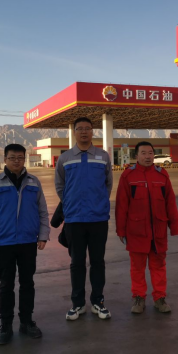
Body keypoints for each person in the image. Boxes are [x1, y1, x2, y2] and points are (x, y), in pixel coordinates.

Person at [0, 143, 50, 345]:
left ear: (24, 159)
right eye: (12, 157)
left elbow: (43, 211)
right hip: (4, 243)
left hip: (28, 242)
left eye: (20, 157)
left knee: (27, 283)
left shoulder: (34, 182)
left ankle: (27, 322)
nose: (16, 161)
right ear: (5, 159)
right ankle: (5, 325)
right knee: (6, 285)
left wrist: (43, 235)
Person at [55, 116, 113, 320]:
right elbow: (60, 186)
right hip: (74, 220)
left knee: (98, 262)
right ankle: (77, 304)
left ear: (92, 131)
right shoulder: (65, 158)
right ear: (74, 132)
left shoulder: (103, 156)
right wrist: (70, 203)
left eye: (87, 128)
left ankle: (98, 302)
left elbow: (108, 184)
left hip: (98, 219)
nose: (84, 132)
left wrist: (99, 202)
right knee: (77, 262)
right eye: (80, 128)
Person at [115, 141, 178, 314]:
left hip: (158, 231)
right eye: (143, 153)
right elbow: (121, 205)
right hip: (136, 231)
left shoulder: (162, 175)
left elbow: (170, 202)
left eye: (150, 153)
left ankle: (160, 298)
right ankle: (139, 298)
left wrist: (174, 226)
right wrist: (121, 230)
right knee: (137, 267)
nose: (148, 156)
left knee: (159, 266)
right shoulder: (128, 176)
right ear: (136, 156)